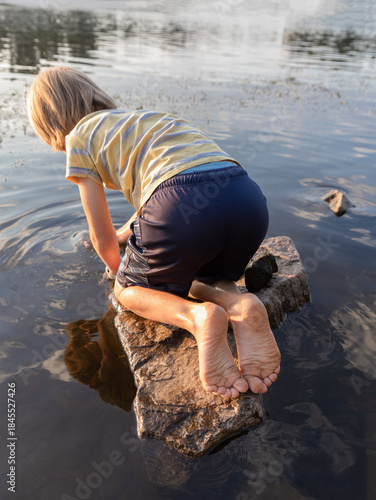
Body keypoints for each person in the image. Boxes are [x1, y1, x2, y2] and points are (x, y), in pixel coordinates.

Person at [27, 66, 281, 399]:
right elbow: (170, 178)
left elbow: (101, 237)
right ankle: (238, 304)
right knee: (197, 272)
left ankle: (199, 318)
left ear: (52, 125)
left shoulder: (78, 139)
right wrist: (128, 232)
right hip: (245, 200)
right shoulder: (148, 119)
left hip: (179, 209)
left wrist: (123, 275)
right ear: (94, 94)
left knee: (129, 291)